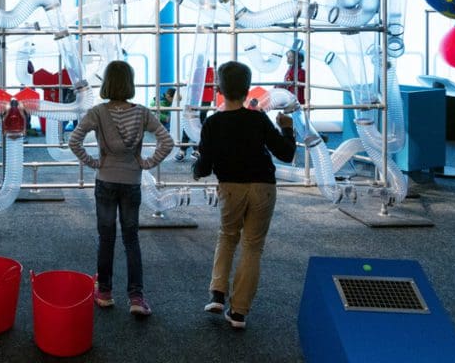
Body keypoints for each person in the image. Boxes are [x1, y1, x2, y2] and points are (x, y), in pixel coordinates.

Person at [192, 60, 296, 330]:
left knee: (227, 236)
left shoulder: (213, 123)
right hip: (263, 186)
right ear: (248, 89)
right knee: (252, 246)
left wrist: (196, 170)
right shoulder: (258, 118)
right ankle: (238, 312)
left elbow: (204, 165)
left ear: (218, 88)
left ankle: (217, 294)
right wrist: (287, 128)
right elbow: (286, 153)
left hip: (230, 188)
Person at [68, 60, 173, 317]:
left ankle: (104, 292)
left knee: (106, 238)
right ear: (130, 83)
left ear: (106, 84)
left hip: (105, 180)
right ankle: (136, 297)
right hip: (131, 182)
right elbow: (167, 141)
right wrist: (146, 163)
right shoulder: (142, 113)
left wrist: (94, 163)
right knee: (131, 239)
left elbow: (74, 141)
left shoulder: (97, 112)